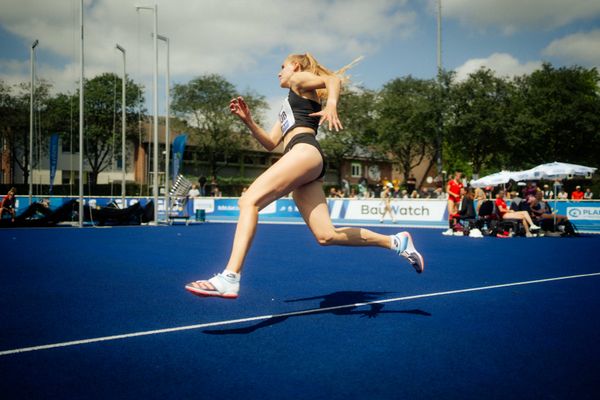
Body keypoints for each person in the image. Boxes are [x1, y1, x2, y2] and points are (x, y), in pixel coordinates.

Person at [185, 53, 424, 299]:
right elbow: (270, 143)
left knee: (248, 201)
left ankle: (230, 277)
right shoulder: (287, 105)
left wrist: (331, 104)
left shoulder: (298, 80)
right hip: (303, 159)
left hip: (304, 151)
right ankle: (395, 242)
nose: (279, 72)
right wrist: (249, 122)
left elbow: (333, 80)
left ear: (296, 67)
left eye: (282, 67)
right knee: (326, 235)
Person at [443, 170, 463, 236]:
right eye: (458, 176)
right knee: (451, 213)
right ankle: (450, 229)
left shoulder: (460, 183)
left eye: (460, 176)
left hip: (457, 199)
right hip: (451, 198)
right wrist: (454, 194)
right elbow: (447, 190)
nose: (459, 177)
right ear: (456, 175)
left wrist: (462, 196)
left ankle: (455, 228)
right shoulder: (451, 182)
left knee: (456, 213)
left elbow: (461, 192)